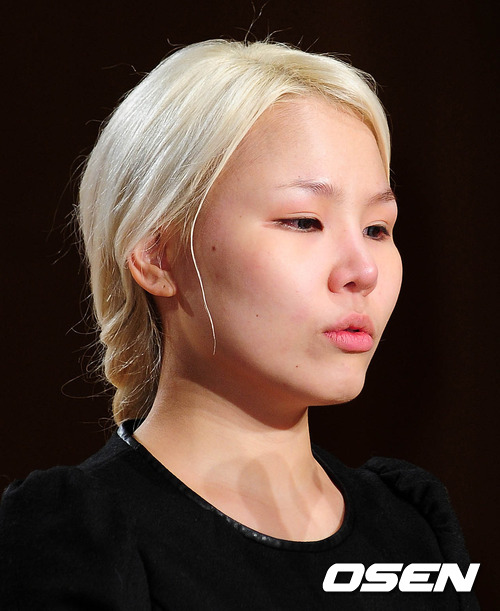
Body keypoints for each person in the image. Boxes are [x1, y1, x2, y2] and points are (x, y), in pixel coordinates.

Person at [0, 39, 479, 609]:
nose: (363, 271)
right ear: (157, 255)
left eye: (377, 229)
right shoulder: (75, 535)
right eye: (304, 221)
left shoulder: (411, 530)